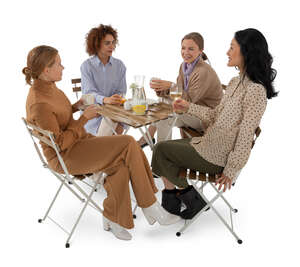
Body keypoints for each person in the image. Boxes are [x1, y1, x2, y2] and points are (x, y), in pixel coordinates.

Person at [24, 45, 180, 241]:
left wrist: (76, 106)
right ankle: (150, 206)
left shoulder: (49, 88)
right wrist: (84, 119)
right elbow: (60, 143)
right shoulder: (39, 102)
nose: (63, 67)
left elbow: (58, 118)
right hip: (66, 156)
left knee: (121, 163)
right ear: (46, 70)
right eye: (59, 64)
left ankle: (113, 217)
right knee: (129, 142)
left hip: (79, 143)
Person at [151, 28, 277, 219]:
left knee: (161, 150)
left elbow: (246, 134)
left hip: (217, 157)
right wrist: (188, 107)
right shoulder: (235, 82)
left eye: (232, 47)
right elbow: (214, 115)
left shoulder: (255, 91)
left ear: (246, 52)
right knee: (161, 149)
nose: (227, 52)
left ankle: (181, 199)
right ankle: (187, 199)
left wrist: (232, 170)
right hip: (206, 143)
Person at [138, 32, 223, 147]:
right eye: (183, 48)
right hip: (191, 110)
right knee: (161, 104)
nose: (186, 52)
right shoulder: (184, 66)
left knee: (164, 117)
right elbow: (177, 95)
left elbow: (189, 101)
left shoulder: (203, 71)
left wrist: (170, 86)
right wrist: (162, 89)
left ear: (200, 51)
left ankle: (161, 153)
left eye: (191, 49)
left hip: (206, 117)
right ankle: (150, 139)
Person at [80, 24, 127, 137]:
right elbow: (88, 94)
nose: (112, 46)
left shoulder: (119, 65)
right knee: (111, 119)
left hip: (114, 112)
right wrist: (105, 99)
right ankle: (106, 147)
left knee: (124, 115)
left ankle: (109, 146)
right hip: (93, 114)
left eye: (113, 42)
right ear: (97, 45)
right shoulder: (87, 66)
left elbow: (121, 91)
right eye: (107, 43)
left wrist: (116, 99)